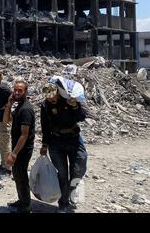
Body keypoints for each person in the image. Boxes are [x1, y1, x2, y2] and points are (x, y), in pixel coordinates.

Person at [40, 82, 88, 213]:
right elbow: (45, 127)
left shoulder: (69, 100)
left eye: (53, 96)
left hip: (74, 139)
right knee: (62, 173)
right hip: (56, 141)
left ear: (57, 93)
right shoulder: (45, 106)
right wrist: (45, 144)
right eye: (48, 97)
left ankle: (72, 190)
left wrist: (75, 107)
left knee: (79, 167)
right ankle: (64, 203)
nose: (51, 99)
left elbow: (82, 117)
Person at [3, 77, 35, 213]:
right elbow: (6, 120)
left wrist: (14, 153)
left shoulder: (26, 109)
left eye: (20, 91)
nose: (16, 93)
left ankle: (26, 206)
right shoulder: (19, 107)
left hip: (23, 149)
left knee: (21, 176)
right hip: (17, 146)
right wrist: (9, 105)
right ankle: (21, 200)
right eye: (15, 90)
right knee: (17, 174)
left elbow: (25, 134)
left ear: (26, 92)